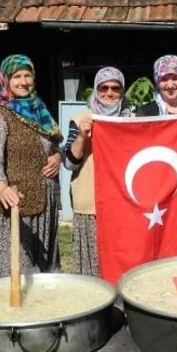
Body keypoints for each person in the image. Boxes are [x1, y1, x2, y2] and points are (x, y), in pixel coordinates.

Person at [0, 55, 62, 276]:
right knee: (18, 271)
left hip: (45, 204)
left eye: (28, 75)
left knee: (45, 270)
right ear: (5, 80)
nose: (23, 81)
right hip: (16, 205)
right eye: (16, 76)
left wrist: (57, 157)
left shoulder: (39, 110)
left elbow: (54, 144)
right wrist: (2, 188)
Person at [63, 66, 131, 277]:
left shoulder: (132, 120)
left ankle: (119, 308)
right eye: (103, 88)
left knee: (121, 262)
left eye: (115, 88)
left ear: (122, 91)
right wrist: (82, 136)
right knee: (92, 268)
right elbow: (69, 163)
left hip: (123, 204)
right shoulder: (81, 119)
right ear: (95, 89)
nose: (109, 93)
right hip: (90, 204)